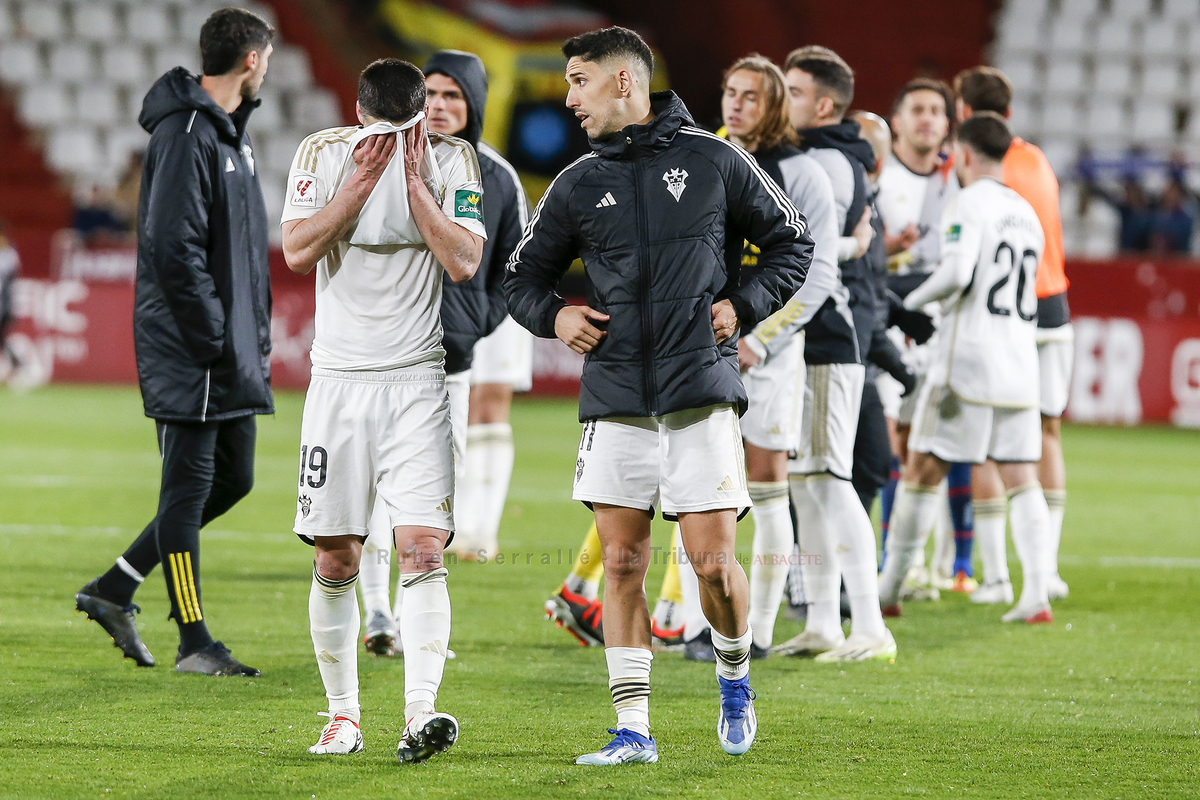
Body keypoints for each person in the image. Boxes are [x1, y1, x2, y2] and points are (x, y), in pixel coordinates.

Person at [506, 26, 811, 764]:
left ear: (622, 82)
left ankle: (734, 674)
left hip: (698, 391)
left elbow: (791, 241)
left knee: (710, 564)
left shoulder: (713, 158)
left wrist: (744, 303)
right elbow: (520, 277)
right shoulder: (577, 183)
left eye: (579, 80)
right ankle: (633, 728)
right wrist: (557, 315)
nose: (570, 98)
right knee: (620, 564)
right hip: (614, 396)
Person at [281, 59, 485, 760]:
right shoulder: (322, 153)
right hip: (338, 383)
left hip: (417, 382)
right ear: (363, 112)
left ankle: (420, 713)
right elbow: (299, 248)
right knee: (337, 558)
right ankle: (343, 716)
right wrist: (364, 181)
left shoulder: (452, 159)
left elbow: (463, 262)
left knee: (423, 548)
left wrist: (410, 182)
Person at [74, 8, 275, 677]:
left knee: (235, 480)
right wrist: (212, 334)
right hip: (195, 349)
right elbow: (169, 245)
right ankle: (195, 641)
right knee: (186, 492)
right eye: (265, 59)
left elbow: (236, 254)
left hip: (228, 348)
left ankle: (115, 587)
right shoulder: (190, 132)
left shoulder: (225, 136)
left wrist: (249, 333)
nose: (267, 70)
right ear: (252, 60)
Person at [356, 49, 531, 658]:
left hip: (449, 360)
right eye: (429, 94)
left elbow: (515, 267)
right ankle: (379, 611)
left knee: (427, 496)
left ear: (475, 103)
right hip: (377, 352)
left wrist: (472, 322)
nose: (438, 106)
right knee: (374, 488)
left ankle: (404, 616)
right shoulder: (378, 160)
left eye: (453, 95)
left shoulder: (498, 178)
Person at [676, 53, 841, 662]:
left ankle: (760, 629)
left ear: (775, 104)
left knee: (768, 485)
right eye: (729, 91)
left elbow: (816, 273)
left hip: (765, 354)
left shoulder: (803, 173)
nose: (736, 104)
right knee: (700, 485)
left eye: (751, 95)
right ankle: (703, 624)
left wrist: (758, 336)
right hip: (701, 349)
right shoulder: (701, 156)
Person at [877, 112, 1054, 625]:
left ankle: (888, 588)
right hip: (1020, 364)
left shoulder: (967, 202)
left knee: (922, 469)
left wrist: (906, 300)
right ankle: (1036, 593)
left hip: (968, 364)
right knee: (1021, 477)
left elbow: (956, 273)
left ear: (967, 155)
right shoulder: (1026, 212)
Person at [757, 45, 894, 662]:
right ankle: (821, 620)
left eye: (793, 88)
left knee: (831, 481)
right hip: (803, 335)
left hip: (824, 334)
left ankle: (869, 624)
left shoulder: (828, 160)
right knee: (809, 484)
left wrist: (846, 241)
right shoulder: (812, 155)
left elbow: (816, 251)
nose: (782, 97)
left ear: (825, 104)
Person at [954, 66, 1071, 605]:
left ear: (963, 114)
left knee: (986, 441)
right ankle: (1043, 571)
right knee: (1045, 434)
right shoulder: (1038, 160)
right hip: (1055, 307)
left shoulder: (982, 174)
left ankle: (998, 576)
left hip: (1004, 319)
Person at [874, 78, 973, 598]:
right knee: (894, 440)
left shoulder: (957, 179)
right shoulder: (880, 176)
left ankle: (957, 560)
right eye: (918, 109)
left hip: (941, 321)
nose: (928, 118)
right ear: (897, 121)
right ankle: (897, 563)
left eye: (937, 110)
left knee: (937, 440)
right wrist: (889, 251)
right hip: (891, 316)